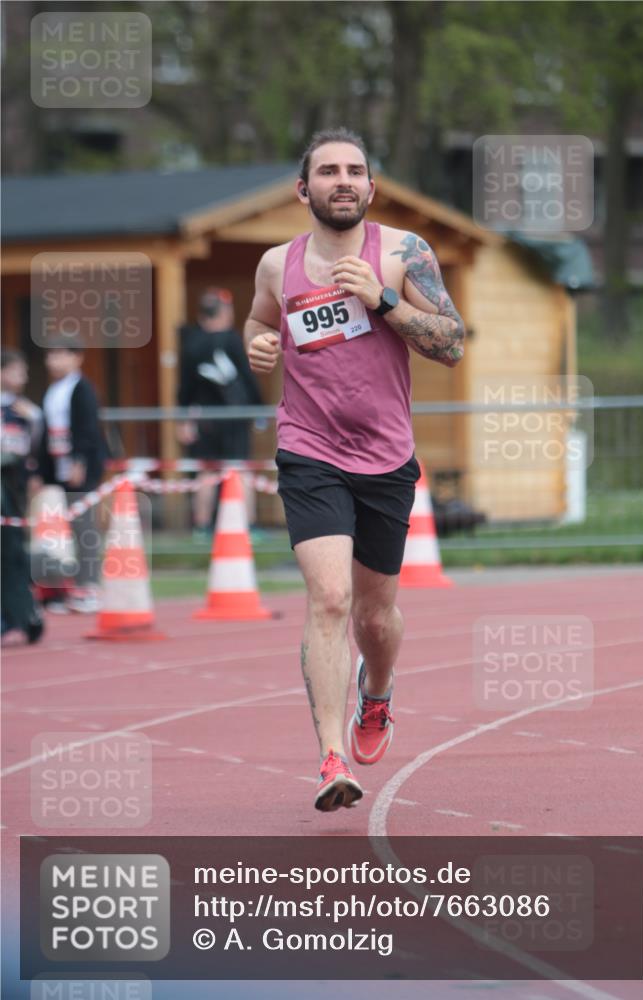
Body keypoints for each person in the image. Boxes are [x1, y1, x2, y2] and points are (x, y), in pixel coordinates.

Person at [245, 127, 465, 812]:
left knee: (375, 614)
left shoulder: (403, 253)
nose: (342, 180)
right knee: (330, 599)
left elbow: (452, 345)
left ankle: (377, 695)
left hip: (385, 456)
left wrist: (382, 299)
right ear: (302, 188)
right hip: (310, 450)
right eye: (328, 170)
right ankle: (329, 756)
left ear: (370, 187)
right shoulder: (277, 266)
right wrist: (257, 344)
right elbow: (260, 323)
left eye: (355, 170)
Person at [177, 288, 263, 535]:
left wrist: (183, 419)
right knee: (240, 469)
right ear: (225, 312)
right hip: (234, 417)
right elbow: (248, 379)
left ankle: (202, 526)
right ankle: (250, 525)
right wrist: (258, 410)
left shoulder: (191, 343)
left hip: (205, 418)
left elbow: (185, 388)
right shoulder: (233, 339)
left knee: (206, 470)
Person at [35, 342, 107, 613]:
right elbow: (47, 433)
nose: (54, 361)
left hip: (81, 468)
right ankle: (70, 586)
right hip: (59, 468)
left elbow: (88, 429)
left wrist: (80, 461)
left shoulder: (82, 389)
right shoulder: (52, 391)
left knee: (85, 527)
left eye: (60, 354)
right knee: (69, 529)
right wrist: (41, 472)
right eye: (51, 354)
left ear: (77, 357)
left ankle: (90, 586)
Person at [1, 350, 44, 643]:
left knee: (12, 552)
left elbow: (32, 450)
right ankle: (20, 616)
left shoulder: (27, 411)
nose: (24, 377)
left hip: (14, 491)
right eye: (18, 371)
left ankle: (23, 616)